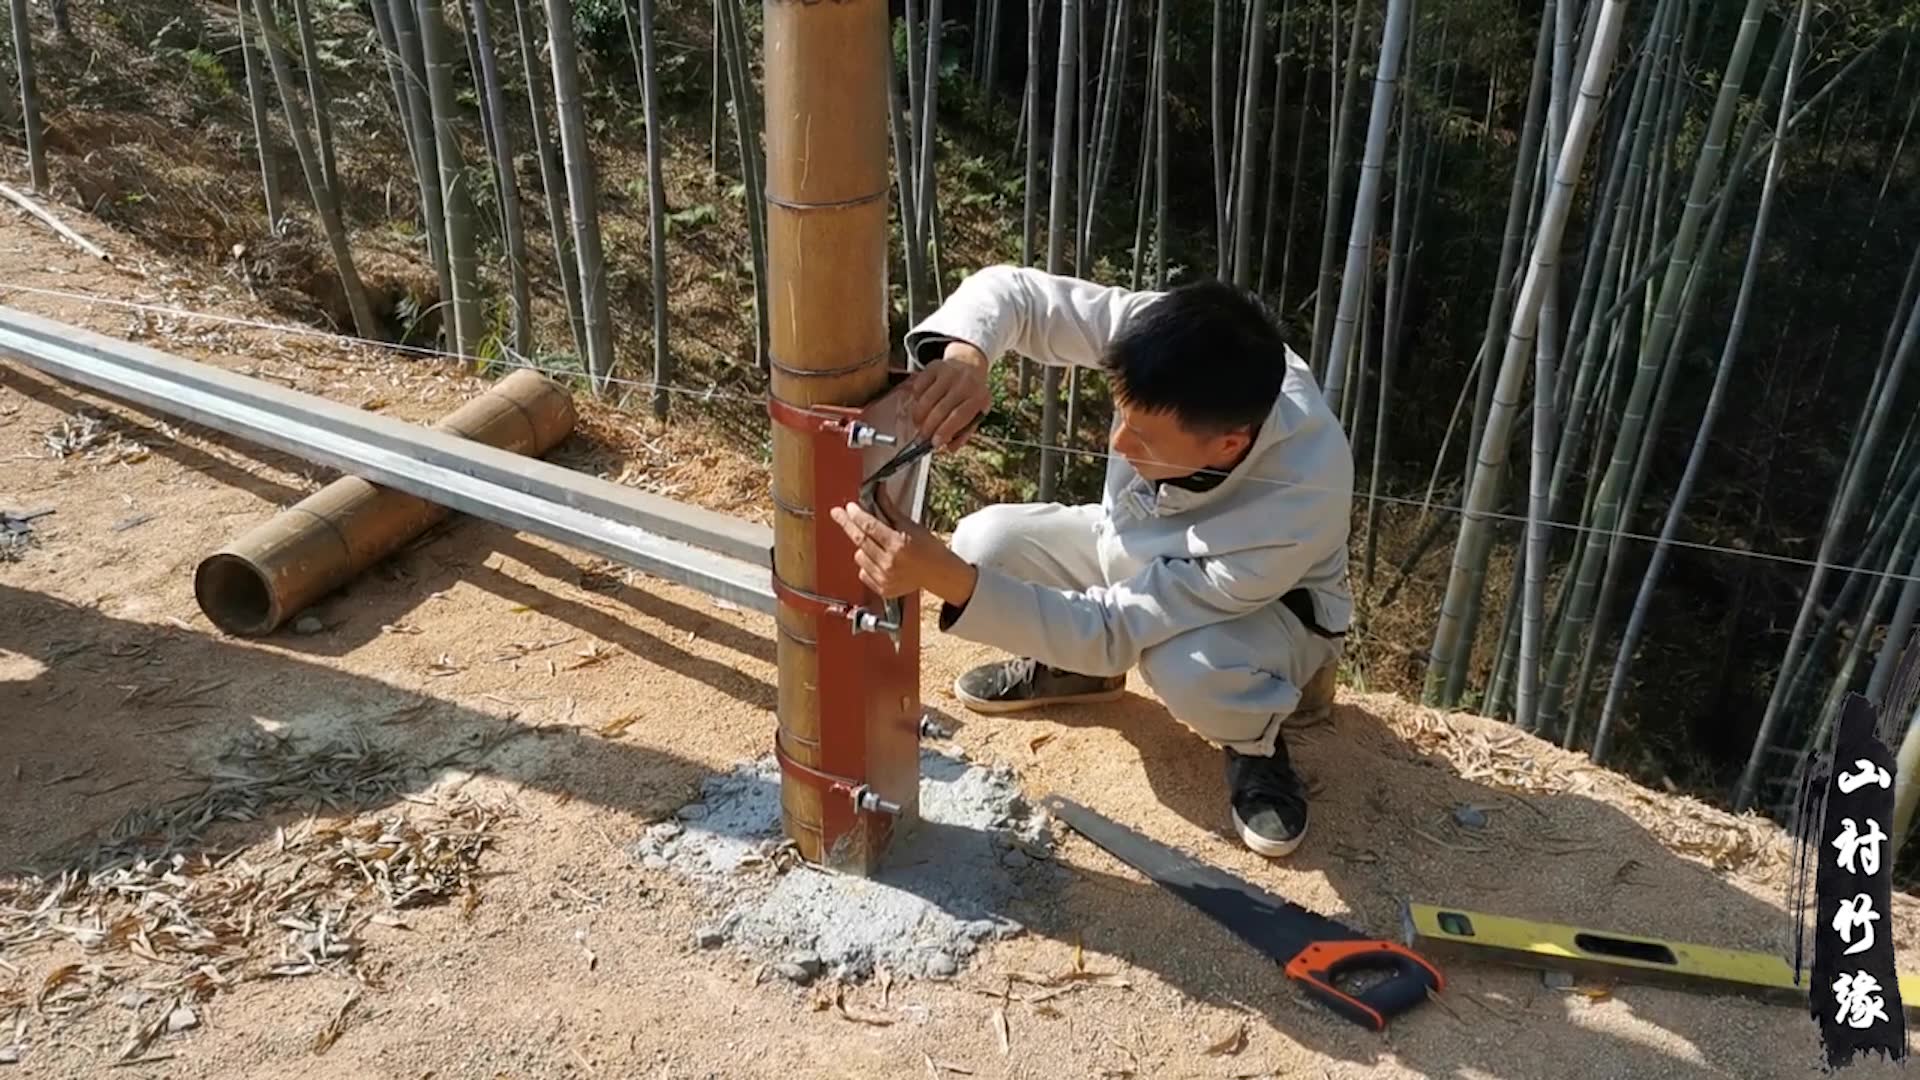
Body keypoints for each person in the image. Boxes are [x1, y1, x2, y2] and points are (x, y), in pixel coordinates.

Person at [827, 265, 1354, 857]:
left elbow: (1116, 626)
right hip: (1129, 547)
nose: (1118, 443)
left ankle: (1256, 741)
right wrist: (967, 356)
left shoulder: (1297, 498)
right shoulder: (1167, 337)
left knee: (1188, 664)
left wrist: (942, 578)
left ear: (1229, 445)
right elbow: (1017, 294)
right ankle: (1082, 673)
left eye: (1144, 439)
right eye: (1120, 414)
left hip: (1270, 612)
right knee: (984, 543)